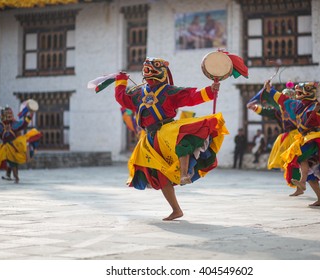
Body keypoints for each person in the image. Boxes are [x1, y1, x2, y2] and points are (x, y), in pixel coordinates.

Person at [114, 57, 228, 221]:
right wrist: (121, 81)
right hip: (150, 138)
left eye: (153, 68)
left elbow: (191, 96)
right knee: (161, 176)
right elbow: (122, 99)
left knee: (182, 141)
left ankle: (184, 174)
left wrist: (211, 90)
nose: (149, 71)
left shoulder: (169, 91)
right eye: (147, 68)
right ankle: (176, 210)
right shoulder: (138, 93)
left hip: (167, 129)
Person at [263, 79, 320, 206]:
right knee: (311, 175)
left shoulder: (318, 107)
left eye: (304, 89)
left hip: (313, 139)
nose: (298, 90)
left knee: (299, 156)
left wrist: (319, 109)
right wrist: (269, 90)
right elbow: (282, 99)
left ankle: (302, 182)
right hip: (303, 137)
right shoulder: (298, 105)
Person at [247, 83, 301, 196]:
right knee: (292, 162)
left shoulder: (298, 107)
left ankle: (303, 184)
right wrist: (255, 107)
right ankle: (298, 186)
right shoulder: (279, 111)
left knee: (302, 162)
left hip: (300, 137)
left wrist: (270, 89)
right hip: (288, 138)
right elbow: (267, 111)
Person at [0, 106, 42, 183]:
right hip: (6, 147)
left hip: (14, 146)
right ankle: (13, 176)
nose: (8, 116)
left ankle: (15, 177)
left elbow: (24, 124)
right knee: (11, 162)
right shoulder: (0, 126)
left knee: (14, 162)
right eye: (6, 114)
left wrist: (30, 115)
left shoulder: (14, 124)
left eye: (9, 114)